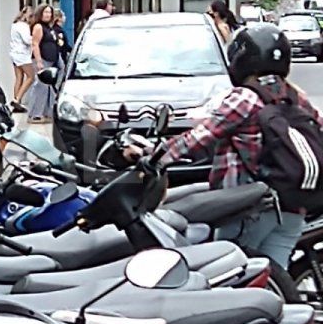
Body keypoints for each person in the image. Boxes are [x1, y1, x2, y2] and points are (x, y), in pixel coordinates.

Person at [125, 25, 323, 270]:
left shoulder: (245, 97)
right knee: (274, 280)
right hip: (293, 208)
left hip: (250, 208)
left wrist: (153, 158)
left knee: (229, 275)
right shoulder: (296, 97)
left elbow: (199, 138)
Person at [27, 4, 59, 124]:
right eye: (45, 12)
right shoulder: (38, 27)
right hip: (42, 60)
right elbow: (35, 44)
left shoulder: (49, 27)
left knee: (48, 88)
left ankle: (47, 112)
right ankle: (35, 114)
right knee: (41, 86)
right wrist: (39, 60)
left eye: (49, 12)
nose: (48, 15)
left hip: (51, 60)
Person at [8, 6, 34, 113]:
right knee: (31, 77)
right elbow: (27, 40)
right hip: (22, 54)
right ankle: (17, 99)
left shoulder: (14, 25)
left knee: (19, 77)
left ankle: (16, 103)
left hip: (14, 53)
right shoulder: (24, 26)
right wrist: (35, 38)